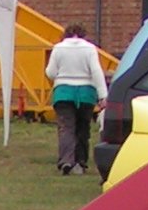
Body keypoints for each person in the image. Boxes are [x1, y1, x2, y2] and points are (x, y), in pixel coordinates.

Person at [46, 23, 108, 175]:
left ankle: (66, 160)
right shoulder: (89, 49)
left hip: (63, 92)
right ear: (83, 35)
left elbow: (51, 72)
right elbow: (96, 72)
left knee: (66, 127)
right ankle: (80, 163)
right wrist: (103, 96)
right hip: (86, 93)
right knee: (82, 129)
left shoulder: (58, 48)